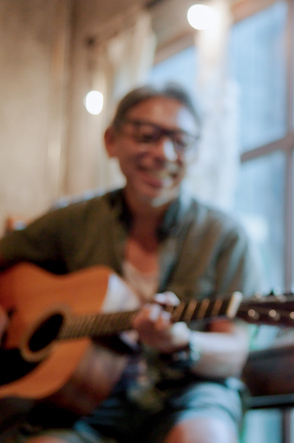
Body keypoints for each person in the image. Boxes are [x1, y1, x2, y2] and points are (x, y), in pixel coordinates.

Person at [0, 83, 262, 443]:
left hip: (188, 395)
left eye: (181, 141)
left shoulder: (225, 236)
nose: (163, 153)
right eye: (145, 136)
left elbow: (234, 352)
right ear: (111, 141)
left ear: (196, 153)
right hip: (82, 403)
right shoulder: (71, 222)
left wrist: (182, 341)